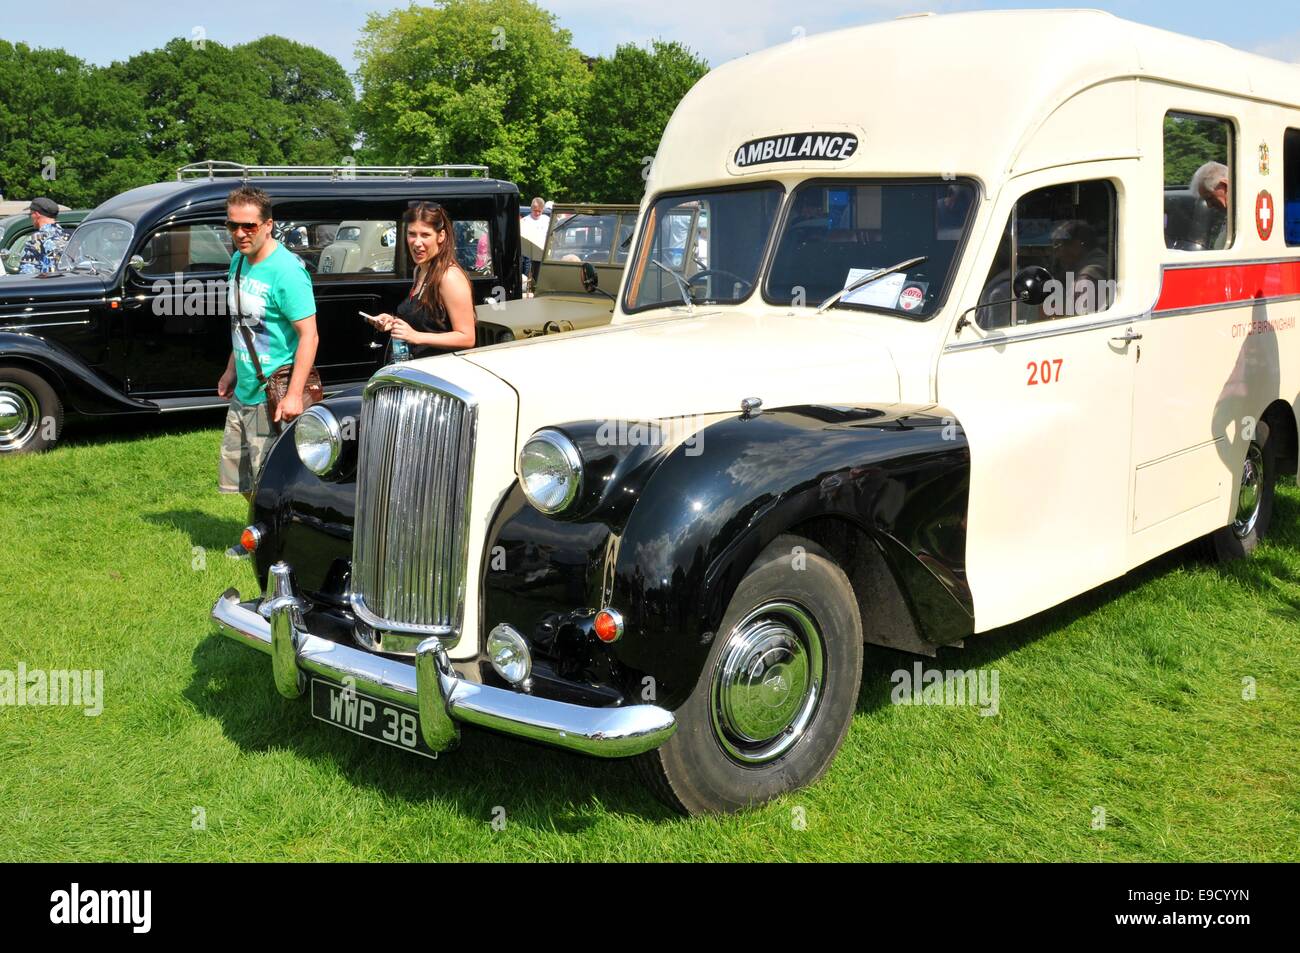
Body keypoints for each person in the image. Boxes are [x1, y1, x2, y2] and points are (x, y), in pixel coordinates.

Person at [217, 186, 319, 557]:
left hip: (273, 391)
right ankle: (260, 533)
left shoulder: (288, 271)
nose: (240, 233)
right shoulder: (239, 262)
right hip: (244, 386)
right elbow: (241, 323)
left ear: (268, 225)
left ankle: (275, 546)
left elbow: (309, 336)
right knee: (241, 474)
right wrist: (230, 370)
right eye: (232, 226)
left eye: (249, 226)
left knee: (271, 476)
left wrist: (293, 395)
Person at [370, 201, 476, 362]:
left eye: (425, 235)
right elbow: (426, 322)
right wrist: (394, 323)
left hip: (440, 376)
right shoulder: (420, 270)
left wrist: (416, 336)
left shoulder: (449, 277)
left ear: (441, 236)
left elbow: (467, 338)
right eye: (412, 234)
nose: (417, 243)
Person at [1049, 219, 1111, 316]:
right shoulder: (1105, 262)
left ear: (1076, 245)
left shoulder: (1086, 278)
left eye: (1058, 245)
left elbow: (1081, 322)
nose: (1056, 254)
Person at [17, 197, 69, 275]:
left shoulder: (35, 240)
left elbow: (26, 273)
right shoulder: (69, 236)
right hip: (69, 284)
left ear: (36, 214)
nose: (31, 217)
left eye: (31, 214)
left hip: (46, 285)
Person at [1191, 161, 1230, 250]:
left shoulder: (1245, 220)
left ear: (1225, 186)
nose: (1209, 205)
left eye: (1210, 198)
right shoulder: (1229, 219)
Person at [519, 197, 550, 282]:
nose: (537, 213)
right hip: (527, 254)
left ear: (543, 210)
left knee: (539, 278)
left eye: (539, 211)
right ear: (531, 209)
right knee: (526, 279)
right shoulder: (524, 221)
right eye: (535, 210)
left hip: (541, 255)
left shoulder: (547, 220)